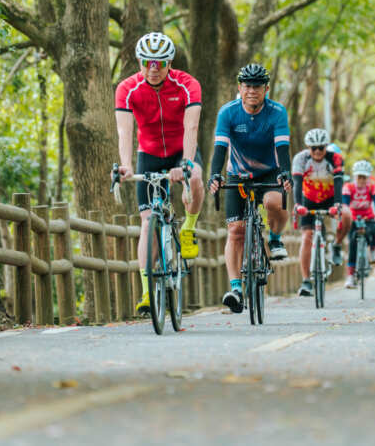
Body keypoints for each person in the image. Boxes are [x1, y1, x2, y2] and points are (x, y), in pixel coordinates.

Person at [115, 32, 205, 316]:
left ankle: (189, 226)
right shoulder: (127, 88)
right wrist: (126, 165)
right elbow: (124, 131)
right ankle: (146, 292)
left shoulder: (188, 84)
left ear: (169, 64)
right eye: (147, 63)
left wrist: (187, 164)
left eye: (160, 64)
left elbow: (191, 127)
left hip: (181, 149)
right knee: (146, 224)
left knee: (196, 177)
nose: (153, 69)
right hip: (149, 154)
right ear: (140, 62)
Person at [208, 63, 293, 313]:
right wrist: (215, 174)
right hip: (239, 175)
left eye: (257, 86)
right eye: (247, 86)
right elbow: (220, 149)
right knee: (235, 230)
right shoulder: (228, 112)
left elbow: (283, 149)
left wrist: (285, 172)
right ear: (239, 88)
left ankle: (275, 239)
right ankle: (236, 288)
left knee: (272, 203)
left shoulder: (277, 112)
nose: (252, 91)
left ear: (266, 89)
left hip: (270, 171)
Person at [292, 128, 348, 297]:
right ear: (308, 148)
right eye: (313, 148)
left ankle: (337, 246)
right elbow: (296, 183)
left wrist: (337, 204)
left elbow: (339, 183)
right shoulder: (301, 159)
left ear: (326, 147)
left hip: (330, 197)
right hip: (308, 199)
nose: (317, 151)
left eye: (321, 148)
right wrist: (298, 205)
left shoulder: (335, 159)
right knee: (307, 236)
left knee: (346, 215)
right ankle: (306, 281)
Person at [342, 160, 375, 289]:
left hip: (368, 217)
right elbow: (345, 206)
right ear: (355, 176)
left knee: (374, 229)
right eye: (359, 176)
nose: (362, 180)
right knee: (353, 242)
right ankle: (350, 276)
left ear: (368, 177)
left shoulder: (373, 188)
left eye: (364, 177)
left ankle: (374, 250)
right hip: (353, 218)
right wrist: (344, 218)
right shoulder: (349, 188)